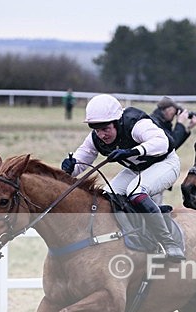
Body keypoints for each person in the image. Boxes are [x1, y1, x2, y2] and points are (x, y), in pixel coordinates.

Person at [60, 94, 185, 261]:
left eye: (106, 129)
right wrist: (69, 167)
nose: (101, 135)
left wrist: (132, 151)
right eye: (97, 130)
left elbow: (164, 142)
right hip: (137, 169)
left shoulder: (135, 123)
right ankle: (130, 235)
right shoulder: (95, 138)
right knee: (105, 196)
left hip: (165, 163)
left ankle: (168, 242)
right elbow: (81, 161)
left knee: (135, 191)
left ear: (117, 122)